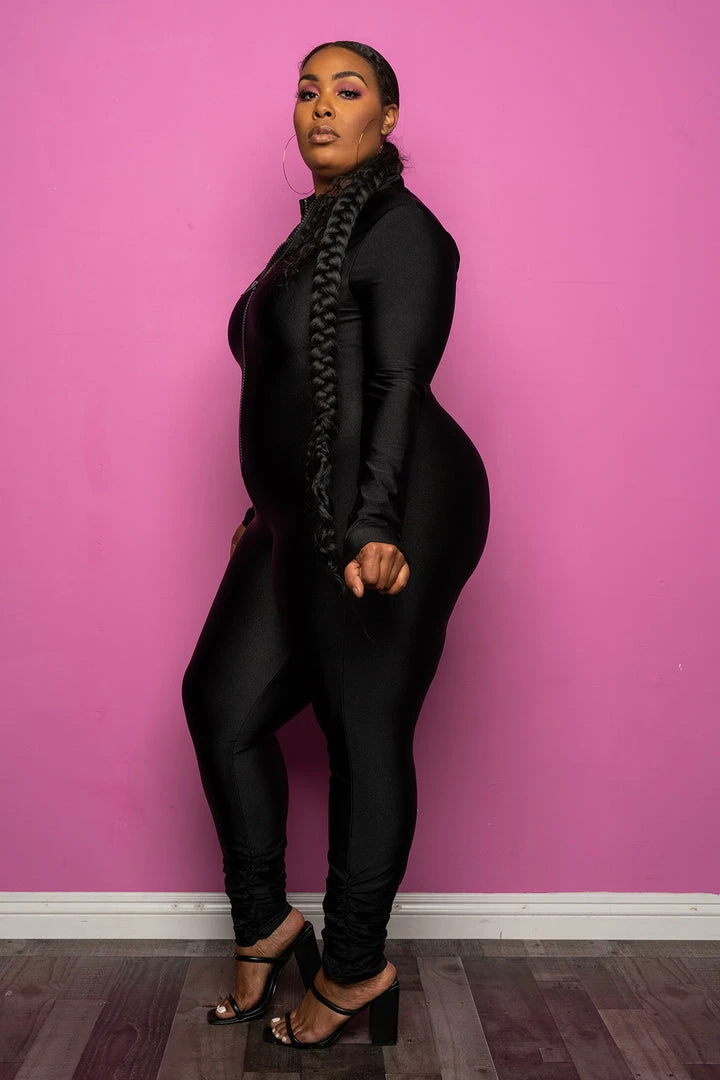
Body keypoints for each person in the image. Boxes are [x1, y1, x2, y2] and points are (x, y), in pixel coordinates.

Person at [181, 39, 491, 1051]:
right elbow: (296, 390)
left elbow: (397, 381)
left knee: (363, 731)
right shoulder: (308, 236)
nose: (321, 107)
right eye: (307, 91)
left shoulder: (404, 232)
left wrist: (376, 525)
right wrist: (264, 505)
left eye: (347, 91)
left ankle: (355, 968)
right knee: (221, 705)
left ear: (387, 117)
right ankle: (268, 925)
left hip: (394, 506)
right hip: (299, 512)